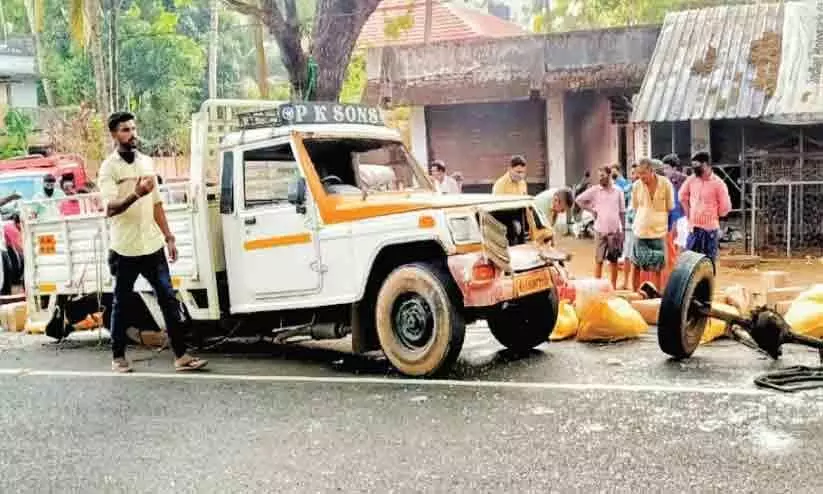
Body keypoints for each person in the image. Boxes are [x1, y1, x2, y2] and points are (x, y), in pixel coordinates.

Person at [98, 111, 207, 373]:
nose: (132, 134)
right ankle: (118, 357)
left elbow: (156, 203)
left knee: (168, 299)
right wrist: (136, 193)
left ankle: (181, 356)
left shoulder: (147, 162)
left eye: (133, 128)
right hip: (124, 247)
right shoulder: (109, 168)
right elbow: (110, 208)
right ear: (114, 134)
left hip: (152, 243)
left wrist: (169, 237)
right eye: (125, 130)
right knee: (122, 302)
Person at [575, 166, 626, 288]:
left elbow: (622, 211)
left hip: (614, 231)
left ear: (609, 175)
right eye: (599, 176)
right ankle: (596, 288)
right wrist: (591, 210)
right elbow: (579, 200)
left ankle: (613, 287)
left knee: (614, 261)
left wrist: (623, 229)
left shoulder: (618, 191)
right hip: (599, 230)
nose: (600, 179)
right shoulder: (595, 190)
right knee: (599, 260)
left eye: (602, 176)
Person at [679, 152, 732, 263]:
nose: (695, 169)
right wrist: (689, 216)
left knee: (708, 262)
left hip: (710, 230)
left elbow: (725, 207)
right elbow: (682, 196)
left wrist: (714, 216)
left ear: (706, 165)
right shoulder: (692, 179)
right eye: (693, 166)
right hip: (694, 228)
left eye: (697, 166)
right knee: (689, 262)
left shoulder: (718, 183)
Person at [631, 158, 674, 291]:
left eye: (643, 173)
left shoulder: (665, 184)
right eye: (639, 173)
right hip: (640, 231)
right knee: (636, 264)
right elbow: (635, 207)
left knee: (658, 265)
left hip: (659, 231)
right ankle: (635, 292)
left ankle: (656, 293)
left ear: (651, 170)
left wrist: (667, 226)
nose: (641, 177)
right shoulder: (636, 185)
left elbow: (670, 207)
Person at [662, 153, 689, 252]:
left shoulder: (684, 180)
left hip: (682, 216)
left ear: (674, 168)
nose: (665, 171)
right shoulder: (664, 181)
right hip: (669, 216)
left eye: (667, 168)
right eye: (664, 168)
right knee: (669, 243)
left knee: (682, 243)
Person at [618, 163, 638, 289]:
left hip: (641, 227)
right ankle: (625, 282)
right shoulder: (628, 188)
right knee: (627, 255)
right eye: (631, 173)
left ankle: (636, 284)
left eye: (635, 173)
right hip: (629, 226)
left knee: (637, 257)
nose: (633, 175)